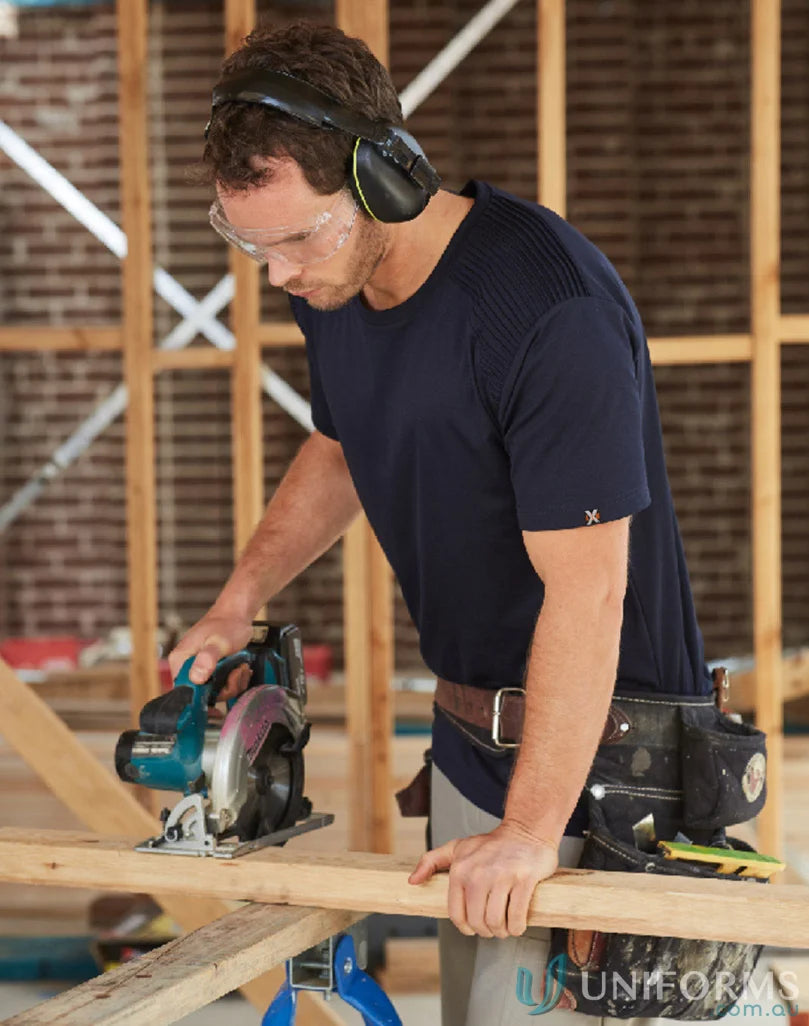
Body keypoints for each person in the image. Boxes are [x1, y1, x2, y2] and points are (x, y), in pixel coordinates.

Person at [170, 20, 771, 1026]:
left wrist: (534, 832)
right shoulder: (334, 278)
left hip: (604, 778)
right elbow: (341, 441)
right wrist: (239, 601)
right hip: (469, 750)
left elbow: (589, 591)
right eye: (247, 243)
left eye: (295, 239)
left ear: (386, 178)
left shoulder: (544, 312)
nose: (275, 276)